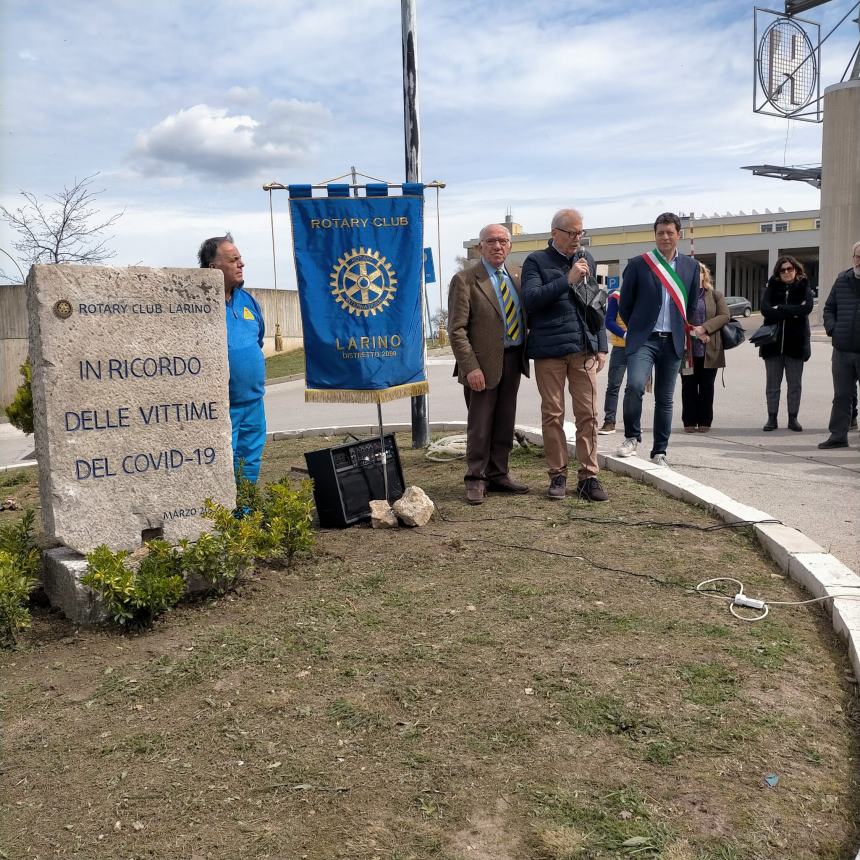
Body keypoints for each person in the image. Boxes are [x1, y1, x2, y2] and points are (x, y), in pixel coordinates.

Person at [521, 209, 609, 501]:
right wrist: (567, 279)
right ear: (555, 232)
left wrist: (600, 344)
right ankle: (557, 475)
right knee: (553, 414)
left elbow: (595, 304)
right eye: (571, 233)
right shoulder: (536, 261)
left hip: (583, 348)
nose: (577, 238)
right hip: (549, 351)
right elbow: (531, 300)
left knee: (589, 414)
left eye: (581, 232)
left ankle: (589, 477)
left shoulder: (586, 259)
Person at [448, 223, 529, 504]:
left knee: (505, 423)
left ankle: (498, 475)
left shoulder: (517, 277)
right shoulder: (466, 280)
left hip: (513, 359)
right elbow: (456, 330)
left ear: (510, 246)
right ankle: (475, 479)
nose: (497, 246)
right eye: (491, 241)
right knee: (480, 425)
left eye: (503, 241)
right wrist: (470, 367)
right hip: (480, 366)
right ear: (479, 247)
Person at [616, 213, 700, 465]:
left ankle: (660, 451)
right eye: (660, 232)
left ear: (678, 235)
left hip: (673, 340)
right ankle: (631, 437)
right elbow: (625, 304)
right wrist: (638, 327)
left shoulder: (690, 266)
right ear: (655, 235)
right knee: (635, 386)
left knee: (665, 398)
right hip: (644, 339)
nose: (665, 237)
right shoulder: (639, 264)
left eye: (670, 232)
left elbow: (692, 303)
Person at [198, 234, 267, 484]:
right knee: (222, 470)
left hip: (253, 404)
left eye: (240, 258)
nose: (241, 264)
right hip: (222, 408)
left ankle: (245, 518)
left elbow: (258, 340)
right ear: (213, 267)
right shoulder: (198, 306)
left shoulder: (247, 301)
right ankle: (226, 522)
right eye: (234, 259)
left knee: (249, 464)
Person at [758, 254, 814, 432]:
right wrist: (793, 312)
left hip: (796, 344)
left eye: (790, 268)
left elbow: (807, 308)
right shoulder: (772, 287)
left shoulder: (804, 285)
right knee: (772, 385)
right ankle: (771, 418)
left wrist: (780, 308)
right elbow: (765, 310)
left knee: (794, 384)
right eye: (783, 270)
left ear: (796, 270)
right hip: (772, 343)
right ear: (778, 272)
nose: (787, 272)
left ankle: (793, 418)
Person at [818, 241, 860, 450]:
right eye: (858, 257)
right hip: (842, 349)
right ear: (853, 257)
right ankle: (838, 436)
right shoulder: (843, 279)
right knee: (842, 395)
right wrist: (833, 329)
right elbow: (828, 308)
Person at [681, 263, 730, 433]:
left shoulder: (715, 295)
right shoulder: (683, 296)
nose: (697, 275)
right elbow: (678, 318)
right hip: (688, 351)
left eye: (699, 272)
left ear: (704, 275)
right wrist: (696, 333)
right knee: (688, 386)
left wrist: (705, 328)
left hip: (711, 350)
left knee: (707, 386)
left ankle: (705, 421)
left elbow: (725, 316)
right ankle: (689, 421)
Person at [599, 283, 626, 434]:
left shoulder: (644, 293)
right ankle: (609, 421)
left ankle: (632, 423)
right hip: (620, 346)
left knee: (635, 388)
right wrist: (625, 335)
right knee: (613, 385)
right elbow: (609, 321)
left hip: (639, 347)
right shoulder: (617, 296)